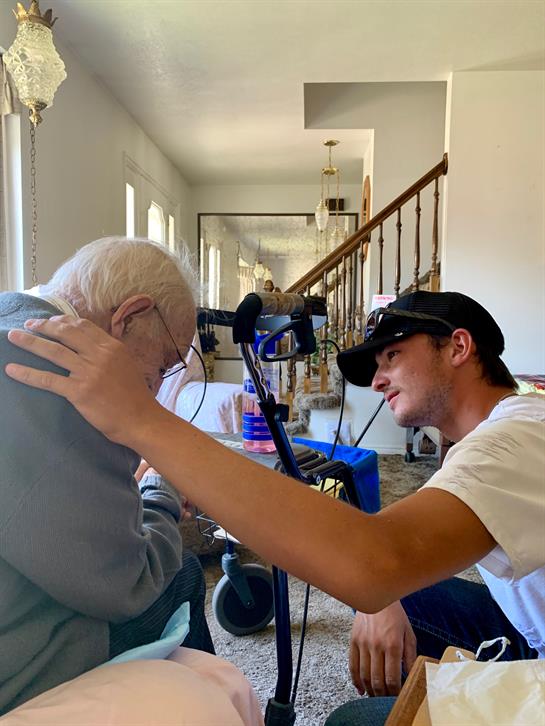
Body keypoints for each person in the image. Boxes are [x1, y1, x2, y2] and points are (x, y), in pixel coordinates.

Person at [5, 290, 544, 724]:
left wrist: (142, 420)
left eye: (393, 356)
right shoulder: (495, 435)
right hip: (526, 627)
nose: (378, 380)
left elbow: (377, 560)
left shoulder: (519, 437)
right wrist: (385, 592)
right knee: (398, 593)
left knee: (350, 721)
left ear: (458, 346)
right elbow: (396, 557)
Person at [0, 237, 215, 716]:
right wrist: (161, 487)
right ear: (129, 317)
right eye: (163, 365)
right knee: (182, 573)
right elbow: (129, 582)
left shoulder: (9, 315)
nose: (155, 390)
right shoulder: (59, 379)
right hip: (16, 670)